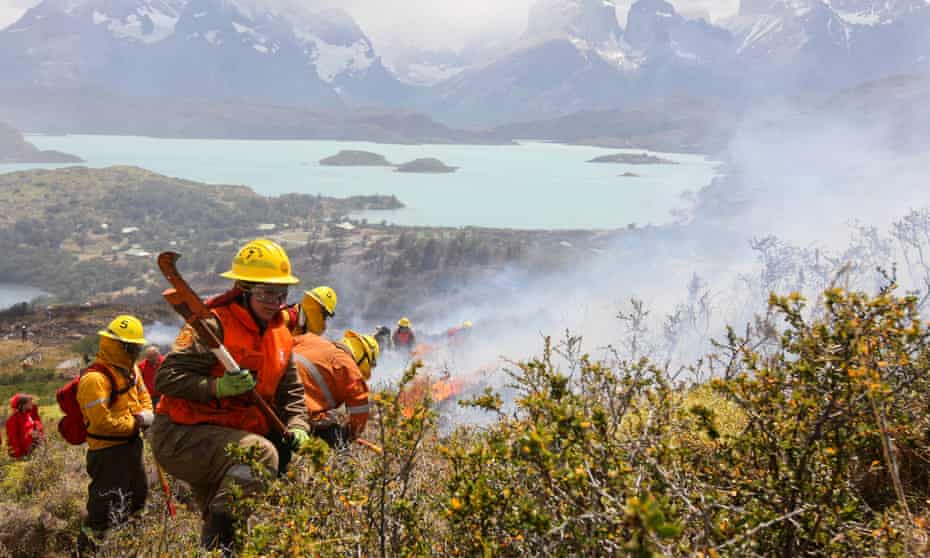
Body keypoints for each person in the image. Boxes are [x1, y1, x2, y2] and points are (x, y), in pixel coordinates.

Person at [151, 238, 311, 555]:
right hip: (182, 434)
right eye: (266, 292)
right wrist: (217, 388)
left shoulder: (281, 333)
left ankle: (219, 550)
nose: (274, 301)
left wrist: (299, 424)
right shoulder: (213, 325)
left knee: (219, 512)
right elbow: (166, 378)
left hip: (226, 439)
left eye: (281, 293)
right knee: (260, 456)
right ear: (244, 288)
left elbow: (290, 390)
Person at [76, 315, 153, 553]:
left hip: (132, 446)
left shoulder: (131, 371)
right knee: (103, 508)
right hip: (107, 453)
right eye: (134, 347)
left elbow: (144, 398)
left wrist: (147, 415)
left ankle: (128, 547)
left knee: (137, 498)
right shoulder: (94, 379)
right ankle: (86, 552)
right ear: (121, 346)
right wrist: (137, 422)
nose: (137, 351)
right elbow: (101, 423)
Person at [292, 330, 378, 448]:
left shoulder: (310, 338)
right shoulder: (351, 370)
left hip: (269, 391)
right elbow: (359, 415)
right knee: (338, 444)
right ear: (364, 358)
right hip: (300, 410)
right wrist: (348, 435)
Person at [6, 393, 44, 458]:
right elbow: (12, 438)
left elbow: (38, 428)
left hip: (32, 450)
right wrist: (18, 455)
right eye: (30, 402)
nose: (32, 403)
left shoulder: (28, 415)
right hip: (22, 454)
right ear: (23, 405)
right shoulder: (13, 419)